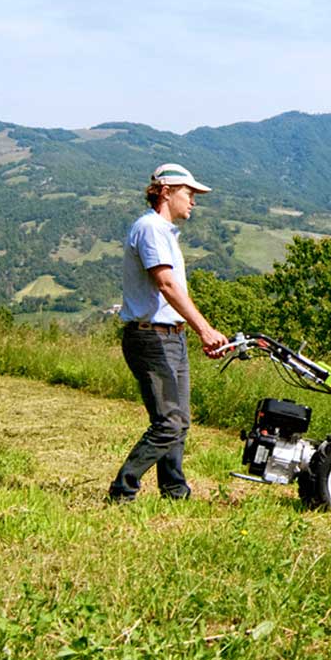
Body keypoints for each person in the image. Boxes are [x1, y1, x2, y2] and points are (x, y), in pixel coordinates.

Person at [108, 163, 228, 502]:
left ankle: (175, 492)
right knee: (168, 424)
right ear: (166, 192)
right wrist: (204, 329)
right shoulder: (150, 228)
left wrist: (190, 330)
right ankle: (122, 490)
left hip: (171, 335)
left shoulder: (164, 231)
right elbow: (166, 285)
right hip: (150, 337)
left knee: (179, 422)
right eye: (189, 194)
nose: (193, 202)